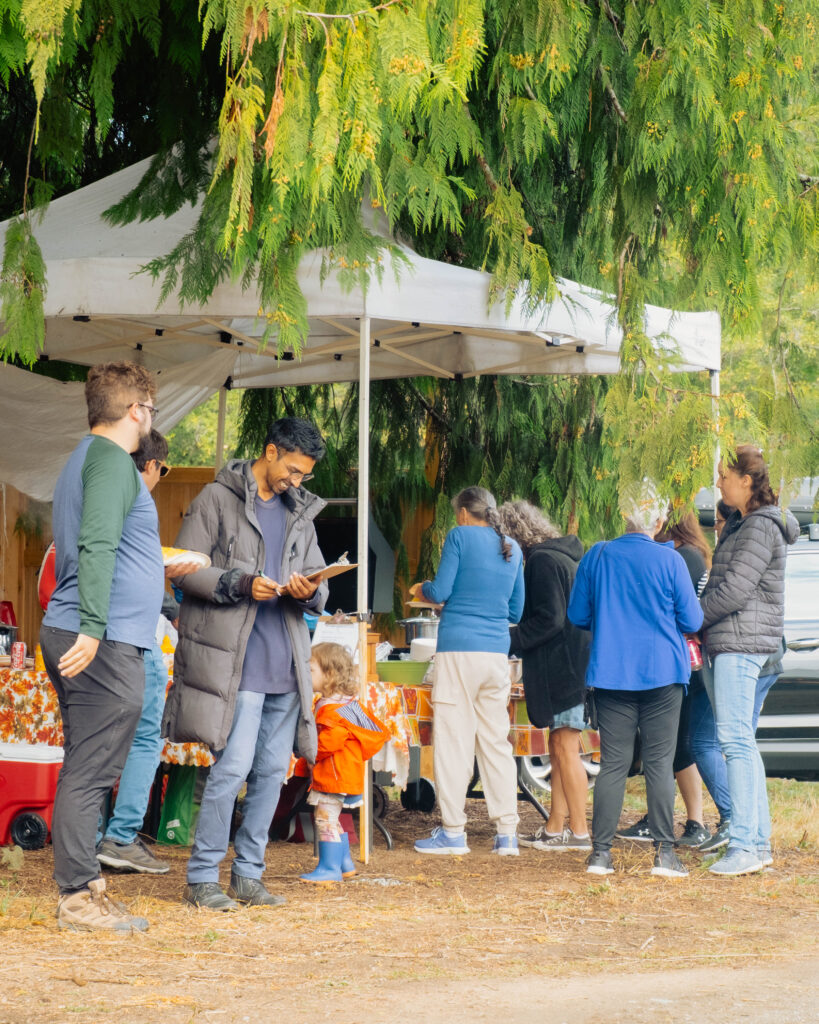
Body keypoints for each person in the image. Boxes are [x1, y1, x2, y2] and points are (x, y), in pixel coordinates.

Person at [163, 417, 329, 910]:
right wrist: (238, 583)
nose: (296, 482)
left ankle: (248, 876)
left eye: (304, 476)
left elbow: (322, 583)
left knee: (271, 773)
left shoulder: (300, 512)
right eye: (293, 470)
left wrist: (312, 589)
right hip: (235, 665)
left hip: (286, 664)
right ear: (270, 450)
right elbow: (183, 571)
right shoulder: (215, 500)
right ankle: (201, 878)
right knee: (231, 770)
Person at [40, 361, 164, 933]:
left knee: (84, 768)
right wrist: (92, 627)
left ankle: (85, 886)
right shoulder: (113, 461)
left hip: (96, 632)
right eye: (150, 410)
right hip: (101, 636)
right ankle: (77, 899)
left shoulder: (82, 459)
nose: (149, 420)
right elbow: (94, 546)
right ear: (136, 409)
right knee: (89, 771)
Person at [567, 479, 703, 878]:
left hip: (611, 673)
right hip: (663, 673)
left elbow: (577, 616)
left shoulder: (598, 555)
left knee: (613, 764)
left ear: (624, 515)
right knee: (660, 763)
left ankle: (600, 855)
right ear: (659, 519)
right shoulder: (671, 561)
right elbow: (692, 620)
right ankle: (664, 854)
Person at [95, 430, 197, 875]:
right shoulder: (137, 498)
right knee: (144, 738)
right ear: (152, 465)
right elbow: (139, 575)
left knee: (97, 739)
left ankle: (90, 835)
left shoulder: (97, 486)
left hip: (92, 634)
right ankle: (121, 836)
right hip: (135, 635)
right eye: (164, 469)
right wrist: (173, 590)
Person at [699, 445, 799, 876]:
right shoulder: (744, 524)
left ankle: (744, 846)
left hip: (741, 644)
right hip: (738, 641)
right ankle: (756, 842)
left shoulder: (759, 527)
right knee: (743, 744)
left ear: (746, 481)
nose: (718, 483)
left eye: (724, 476)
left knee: (735, 744)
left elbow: (736, 591)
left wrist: (692, 619)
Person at [409, 486, 524, 856]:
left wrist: (421, 589)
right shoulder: (513, 547)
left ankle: (454, 832)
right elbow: (515, 612)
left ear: (462, 512)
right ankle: (507, 833)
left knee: (454, 741)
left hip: (458, 652)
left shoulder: (459, 536)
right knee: (495, 743)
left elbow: (440, 589)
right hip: (496, 657)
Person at [497, 500, 592, 852]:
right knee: (559, 746)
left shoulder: (540, 562)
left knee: (566, 747)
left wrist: (509, 638)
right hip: (572, 661)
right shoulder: (561, 555)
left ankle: (580, 833)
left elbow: (550, 618)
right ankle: (555, 828)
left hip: (564, 666)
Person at [617, 510, 713, 848]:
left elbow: (680, 611)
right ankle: (666, 819)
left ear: (664, 523)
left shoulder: (682, 556)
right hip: (677, 663)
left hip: (679, 665)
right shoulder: (688, 553)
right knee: (669, 747)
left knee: (677, 746)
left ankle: (695, 822)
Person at [298, 642, 390, 883]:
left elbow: (330, 742)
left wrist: (309, 751)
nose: (307, 675)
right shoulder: (344, 704)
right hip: (343, 773)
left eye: (311, 670)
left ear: (329, 675)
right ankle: (344, 863)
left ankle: (329, 868)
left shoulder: (332, 710)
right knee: (332, 818)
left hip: (333, 775)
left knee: (325, 818)